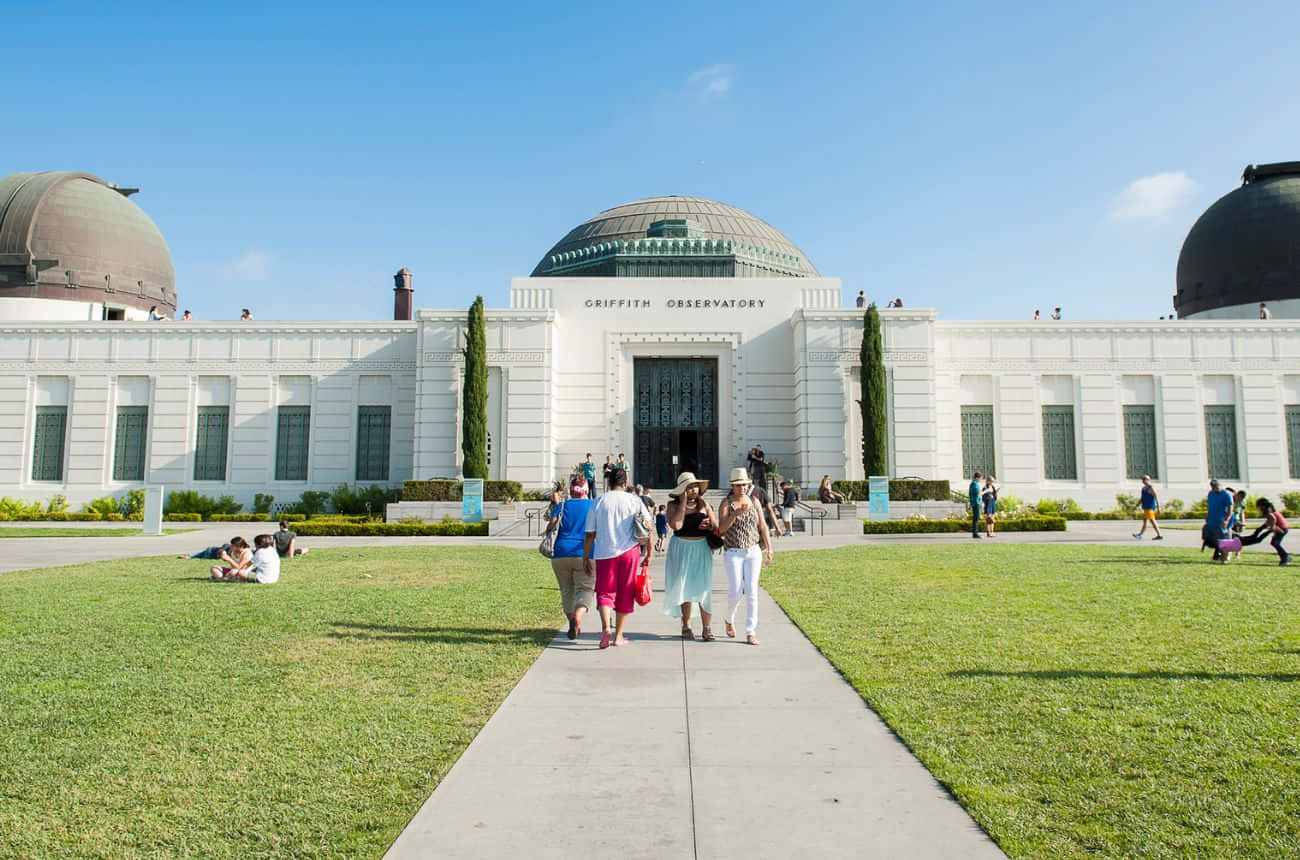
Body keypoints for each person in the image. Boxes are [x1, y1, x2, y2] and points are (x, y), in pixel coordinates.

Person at [583, 466, 652, 649]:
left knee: (605, 592)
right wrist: (649, 553)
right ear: (625, 482)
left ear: (609, 482)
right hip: (629, 552)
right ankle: (618, 636)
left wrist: (585, 557)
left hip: (604, 552)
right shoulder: (634, 500)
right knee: (625, 593)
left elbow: (590, 533)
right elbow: (648, 527)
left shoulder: (598, 501)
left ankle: (606, 628)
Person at [718, 467, 773, 645]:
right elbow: (721, 529)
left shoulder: (754, 501)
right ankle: (729, 619)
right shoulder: (726, 504)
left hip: (753, 551)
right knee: (735, 590)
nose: (742, 488)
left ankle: (750, 631)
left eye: (744, 485)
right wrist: (735, 513)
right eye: (738, 485)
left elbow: (763, 526)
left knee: (751, 591)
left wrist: (769, 549)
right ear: (733, 487)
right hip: (733, 551)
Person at [663, 472, 717, 641]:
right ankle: (686, 625)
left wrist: (708, 524)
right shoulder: (672, 505)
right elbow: (676, 525)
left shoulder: (704, 504)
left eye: (694, 487)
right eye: (688, 488)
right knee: (684, 586)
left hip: (701, 547)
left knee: (704, 587)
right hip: (681, 548)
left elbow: (716, 527)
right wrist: (684, 503)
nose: (693, 490)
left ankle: (707, 628)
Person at [544, 482, 595, 639]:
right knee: (585, 589)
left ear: (571, 491)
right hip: (584, 552)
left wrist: (547, 532)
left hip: (560, 552)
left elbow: (551, 524)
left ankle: (572, 620)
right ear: (586, 491)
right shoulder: (593, 505)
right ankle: (578, 617)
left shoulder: (563, 505)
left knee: (566, 590)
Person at [1203, 479, 1234, 561]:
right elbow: (1210, 507)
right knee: (1216, 540)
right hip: (1213, 521)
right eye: (1213, 487)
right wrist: (1208, 516)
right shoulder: (1211, 494)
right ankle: (1221, 555)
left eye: (1216, 487)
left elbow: (1230, 508)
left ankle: (1226, 557)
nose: (1215, 489)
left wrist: (1226, 520)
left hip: (1223, 521)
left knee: (1225, 539)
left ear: (1220, 486)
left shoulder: (1226, 494)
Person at [1256, 498, 1290, 565]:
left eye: (1258, 506)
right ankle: (1285, 557)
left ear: (1262, 506)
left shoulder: (1269, 512)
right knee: (1274, 543)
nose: (1258, 508)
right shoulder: (1271, 511)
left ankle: (1285, 558)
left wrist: (1272, 527)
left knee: (1275, 543)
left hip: (1282, 528)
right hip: (1283, 527)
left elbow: (1273, 519)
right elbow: (1268, 522)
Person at [1132, 476, 1163, 541]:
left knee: (1152, 521)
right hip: (1145, 507)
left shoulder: (1151, 488)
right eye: (1142, 479)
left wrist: (1158, 508)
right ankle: (1140, 535)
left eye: (1144, 479)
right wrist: (1136, 506)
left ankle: (1159, 535)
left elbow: (1156, 497)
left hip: (1150, 507)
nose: (1143, 481)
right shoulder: (1143, 488)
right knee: (1145, 521)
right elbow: (1142, 499)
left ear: (1148, 480)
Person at [968, 471, 983, 539]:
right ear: (977, 478)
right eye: (980, 478)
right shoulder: (974, 484)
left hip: (976, 502)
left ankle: (975, 532)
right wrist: (987, 491)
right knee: (976, 518)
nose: (980, 480)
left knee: (976, 518)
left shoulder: (974, 483)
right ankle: (975, 533)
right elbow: (978, 494)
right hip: (976, 503)